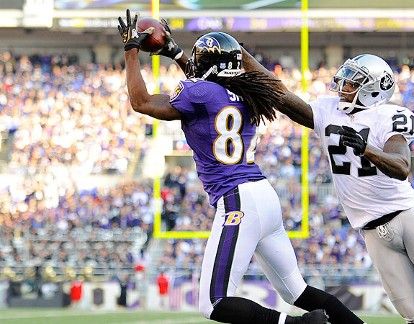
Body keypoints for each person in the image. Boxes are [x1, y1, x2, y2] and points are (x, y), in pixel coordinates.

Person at [117, 10, 366, 324]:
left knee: (213, 303)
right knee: (297, 292)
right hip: (263, 196)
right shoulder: (248, 94)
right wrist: (175, 52)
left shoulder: (198, 92)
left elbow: (142, 102)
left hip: (237, 199)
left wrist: (131, 52)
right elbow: (207, 86)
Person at [241, 48, 414, 324]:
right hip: (371, 231)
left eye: (352, 82)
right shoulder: (328, 110)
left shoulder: (389, 116)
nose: (343, 87)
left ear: (372, 89)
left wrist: (367, 150)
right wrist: (239, 52)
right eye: (345, 79)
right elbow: (279, 94)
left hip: (406, 217)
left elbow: (401, 167)